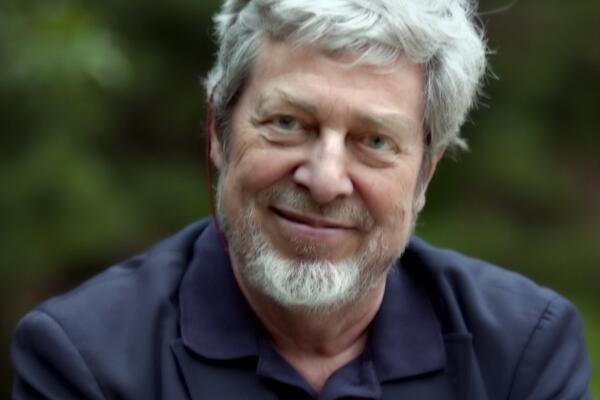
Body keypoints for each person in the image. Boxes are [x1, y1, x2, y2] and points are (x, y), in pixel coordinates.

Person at [10, 0, 591, 399]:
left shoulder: (522, 353)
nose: (325, 178)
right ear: (218, 132)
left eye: (375, 141)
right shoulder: (83, 360)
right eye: (288, 123)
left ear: (425, 175)